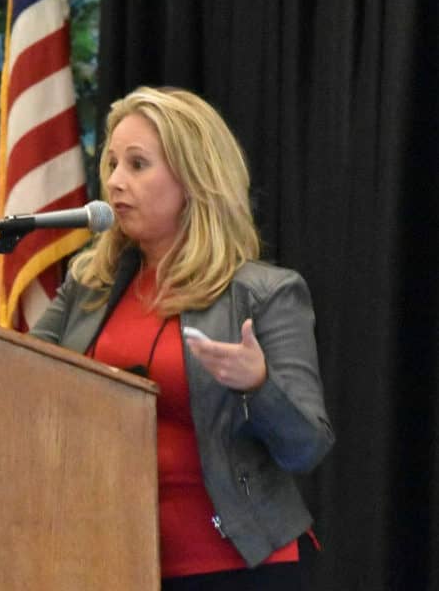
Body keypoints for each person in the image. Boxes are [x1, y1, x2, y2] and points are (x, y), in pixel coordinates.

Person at [30, 86, 334, 590]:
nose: (115, 182)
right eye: (111, 164)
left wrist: (258, 384)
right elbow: (13, 368)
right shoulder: (88, 287)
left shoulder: (264, 294)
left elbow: (306, 447)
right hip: (113, 560)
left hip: (241, 567)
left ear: (194, 180)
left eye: (137, 164)